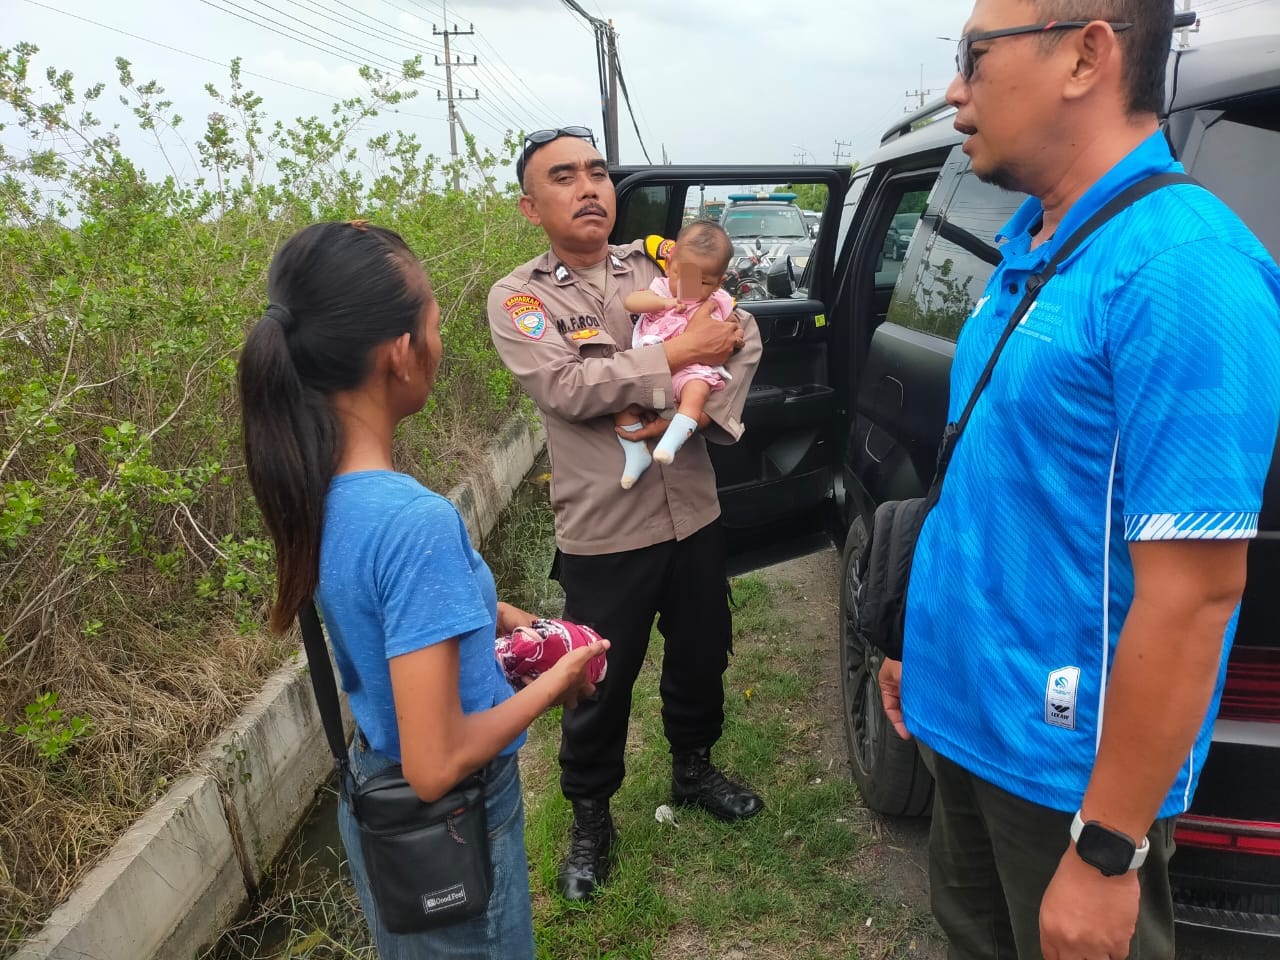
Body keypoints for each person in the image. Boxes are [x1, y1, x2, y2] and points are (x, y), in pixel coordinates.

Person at [877, 4, 1280, 960]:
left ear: (1087, 54)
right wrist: (921, 645)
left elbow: (1195, 592)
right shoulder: (1033, 243)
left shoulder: (1182, 266)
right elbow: (991, 479)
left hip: (1067, 774)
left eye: (974, 56)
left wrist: (1106, 848)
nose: (953, 89)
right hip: (971, 723)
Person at [238, 220, 608, 958]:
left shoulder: (323, 490)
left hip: (376, 802)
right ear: (400, 355)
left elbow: (378, 617)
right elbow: (436, 762)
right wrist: (558, 677)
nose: (440, 343)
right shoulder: (415, 523)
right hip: (450, 823)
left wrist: (488, 613)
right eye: (435, 325)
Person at [486, 127, 765, 903]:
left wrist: (700, 416)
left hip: (693, 509)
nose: (589, 188)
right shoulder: (521, 296)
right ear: (530, 206)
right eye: (564, 177)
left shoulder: (657, 261)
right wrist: (676, 360)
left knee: (704, 651)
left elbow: (742, 335)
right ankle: (590, 817)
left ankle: (694, 765)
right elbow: (567, 389)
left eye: (598, 172)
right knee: (597, 677)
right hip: (606, 527)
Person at [615, 220, 737, 487]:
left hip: (691, 369)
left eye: (702, 281)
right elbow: (631, 301)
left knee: (697, 391)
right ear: (669, 265)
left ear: (719, 282)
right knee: (625, 405)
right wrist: (664, 302)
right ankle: (636, 455)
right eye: (683, 275)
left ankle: (671, 442)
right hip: (653, 369)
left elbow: (733, 330)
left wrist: (734, 334)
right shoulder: (661, 289)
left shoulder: (717, 300)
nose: (688, 286)